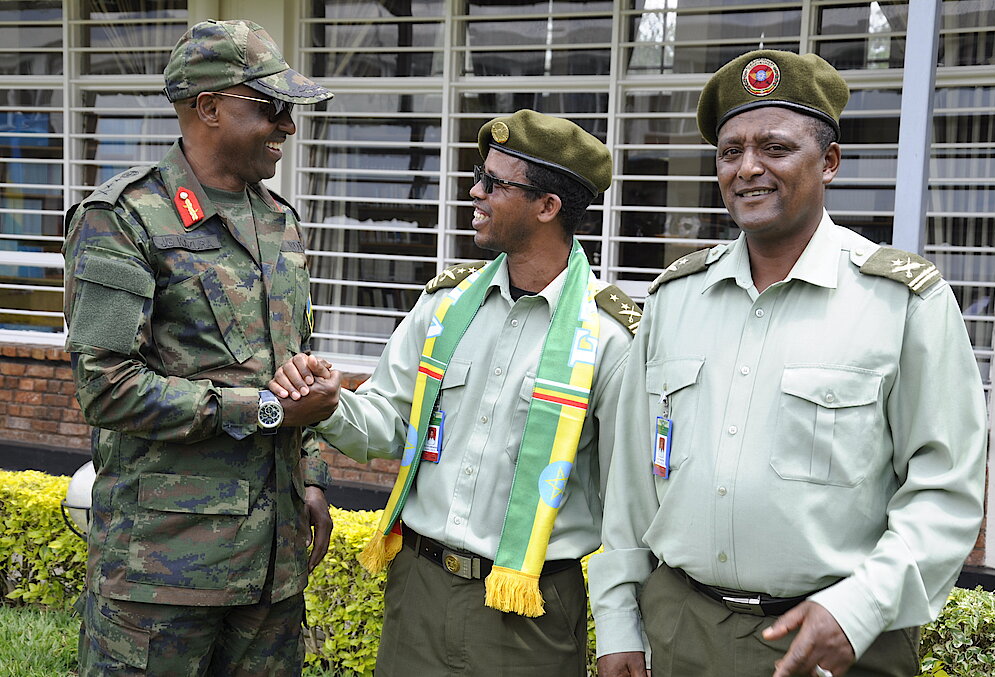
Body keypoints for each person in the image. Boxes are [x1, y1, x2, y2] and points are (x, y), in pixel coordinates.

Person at [589, 49, 987, 677]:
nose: (748, 168)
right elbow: (632, 487)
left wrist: (861, 609)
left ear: (829, 162)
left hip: (835, 642)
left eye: (775, 148)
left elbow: (945, 489)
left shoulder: (903, 302)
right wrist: (616, 622)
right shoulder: (674, 299)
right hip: (683, 632)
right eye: (730, 151)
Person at [270, 109, 639, 676]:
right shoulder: (446, 306)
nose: (475, 192)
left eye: (494, 183)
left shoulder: (609, 339)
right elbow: (390, 425)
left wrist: (622, 632)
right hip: (419, 589)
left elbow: (628, 503)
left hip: (529, 609)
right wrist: (332, 403)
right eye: (477, 176)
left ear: (547, 207)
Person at [63, 19, 341, 676]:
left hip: (271, 571)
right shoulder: (123, 218)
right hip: (163, 574)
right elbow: (106, 387)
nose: (287, 126)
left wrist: (312, 474)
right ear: (208, 107)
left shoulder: (280, 222)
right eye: (269, 107)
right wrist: (262, 411)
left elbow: (290, 367)